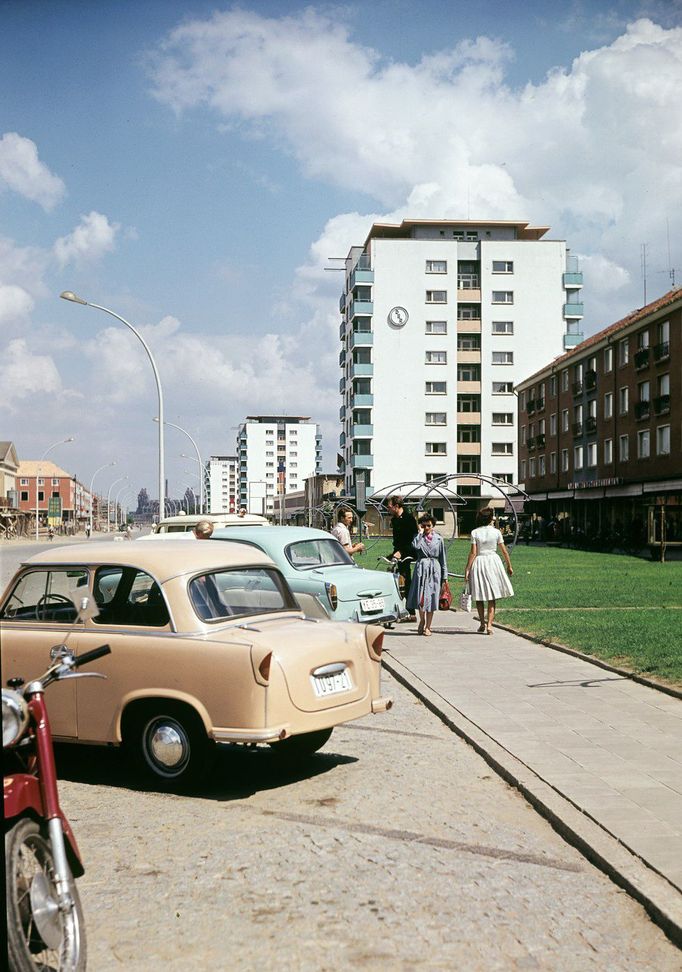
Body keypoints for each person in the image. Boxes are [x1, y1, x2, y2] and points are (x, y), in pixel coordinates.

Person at [464, 508, 514, 636]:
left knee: (479, 595)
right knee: (492, 596)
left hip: (480, 562)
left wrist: (467, 569)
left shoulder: (475, 532)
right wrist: (509, 565)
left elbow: (473, 553)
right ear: (491, 518)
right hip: (493, 562)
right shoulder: (496, 532)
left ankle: (482, 623)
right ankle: (490, 625)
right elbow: (504, 550)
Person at [408, 513, 447, 637]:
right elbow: (415, 546)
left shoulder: (439, 539)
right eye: (423, 525)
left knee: (432, 597)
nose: (426, 528)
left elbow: (443, 558)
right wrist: (420, 534)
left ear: (433, 526)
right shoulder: (418, 537)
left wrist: (444, 576)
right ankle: (422, 620)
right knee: (421, 597)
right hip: (422, 569)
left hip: (434, 569)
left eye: (428, 525)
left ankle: (428, 626)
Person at [387, 495, 418, 618]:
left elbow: (412, 540)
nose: (388, 509)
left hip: (408, 553)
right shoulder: (394, 519)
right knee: (394, 578)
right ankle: (398, 607)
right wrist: (393, 553)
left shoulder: (409, 519)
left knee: (405, 580)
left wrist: (401, 552)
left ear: (396, 506)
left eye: (389, 507)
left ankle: (411, 611)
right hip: (398, 552)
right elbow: (397, 540)